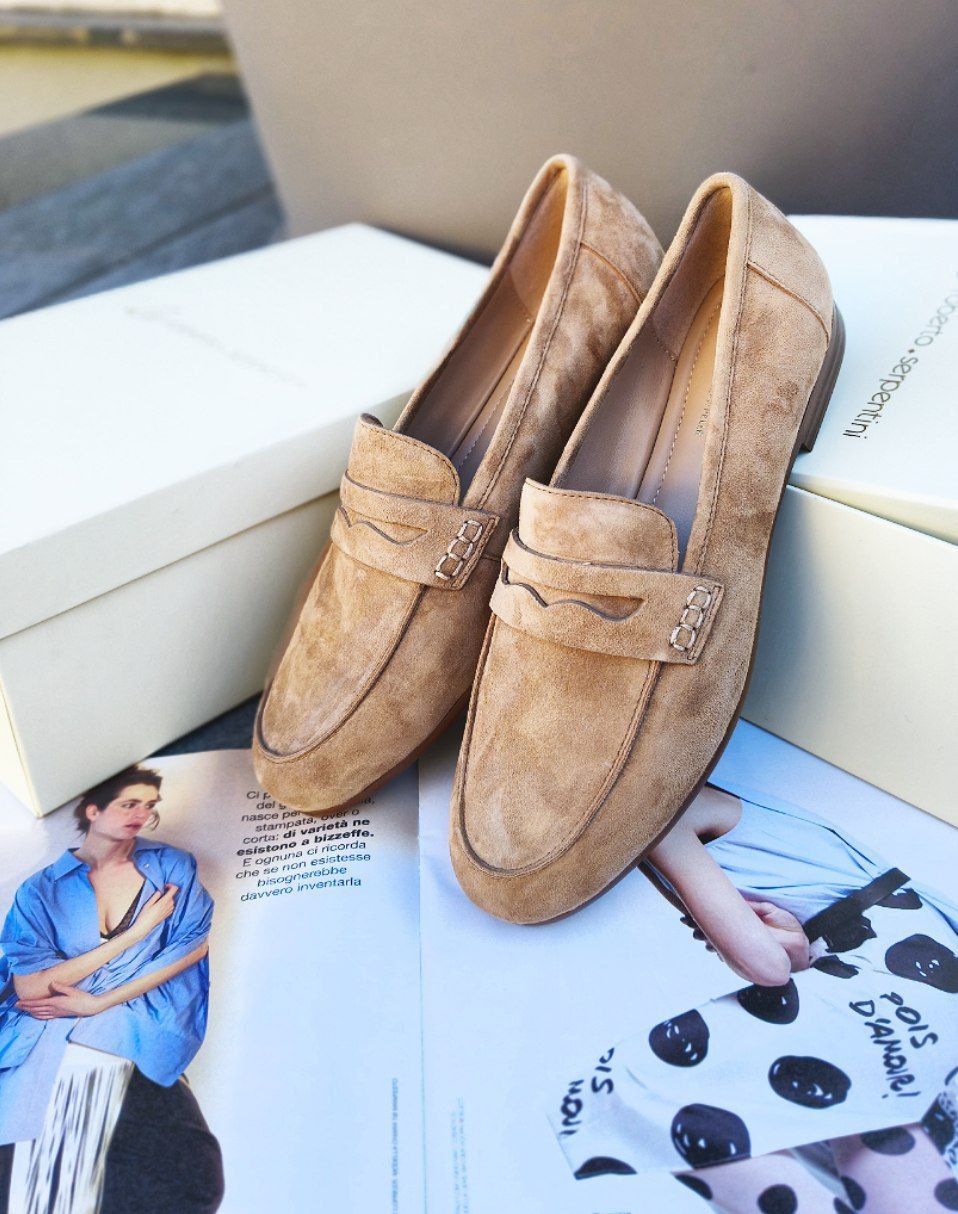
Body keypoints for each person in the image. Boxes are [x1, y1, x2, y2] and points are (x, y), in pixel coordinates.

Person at [552, 782, 958, 1212]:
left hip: (888, 963)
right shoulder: (716, 799)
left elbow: (768, 966)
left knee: (630, 1089)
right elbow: (789, 953)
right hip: (918, 956)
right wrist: (774, 946)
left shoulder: (656, 816)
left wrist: (755, 947)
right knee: (864, 1116)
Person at [0, 766, 224, 1214]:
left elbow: (191, 948)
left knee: (191, 1177)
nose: (141, 813)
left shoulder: (172, 866)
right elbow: (32, 985)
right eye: (129, 804)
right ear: (93, 811)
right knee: (19, 1187)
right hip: (39, 1042)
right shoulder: (40, 890)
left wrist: (97, 1001)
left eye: (149, 805)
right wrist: (135, 934)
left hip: (131, 1030)